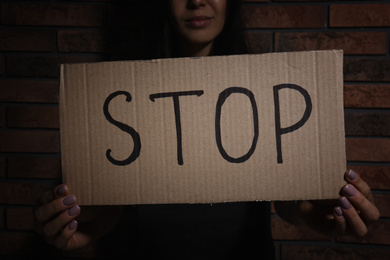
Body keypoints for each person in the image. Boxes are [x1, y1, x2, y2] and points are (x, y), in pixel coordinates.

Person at [34, 0, 380, 259]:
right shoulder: (120, 94)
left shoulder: (265, 82)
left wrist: (317, 215)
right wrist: (85, 228)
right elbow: (112, 204)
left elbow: (286, 196)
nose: (197, 0)